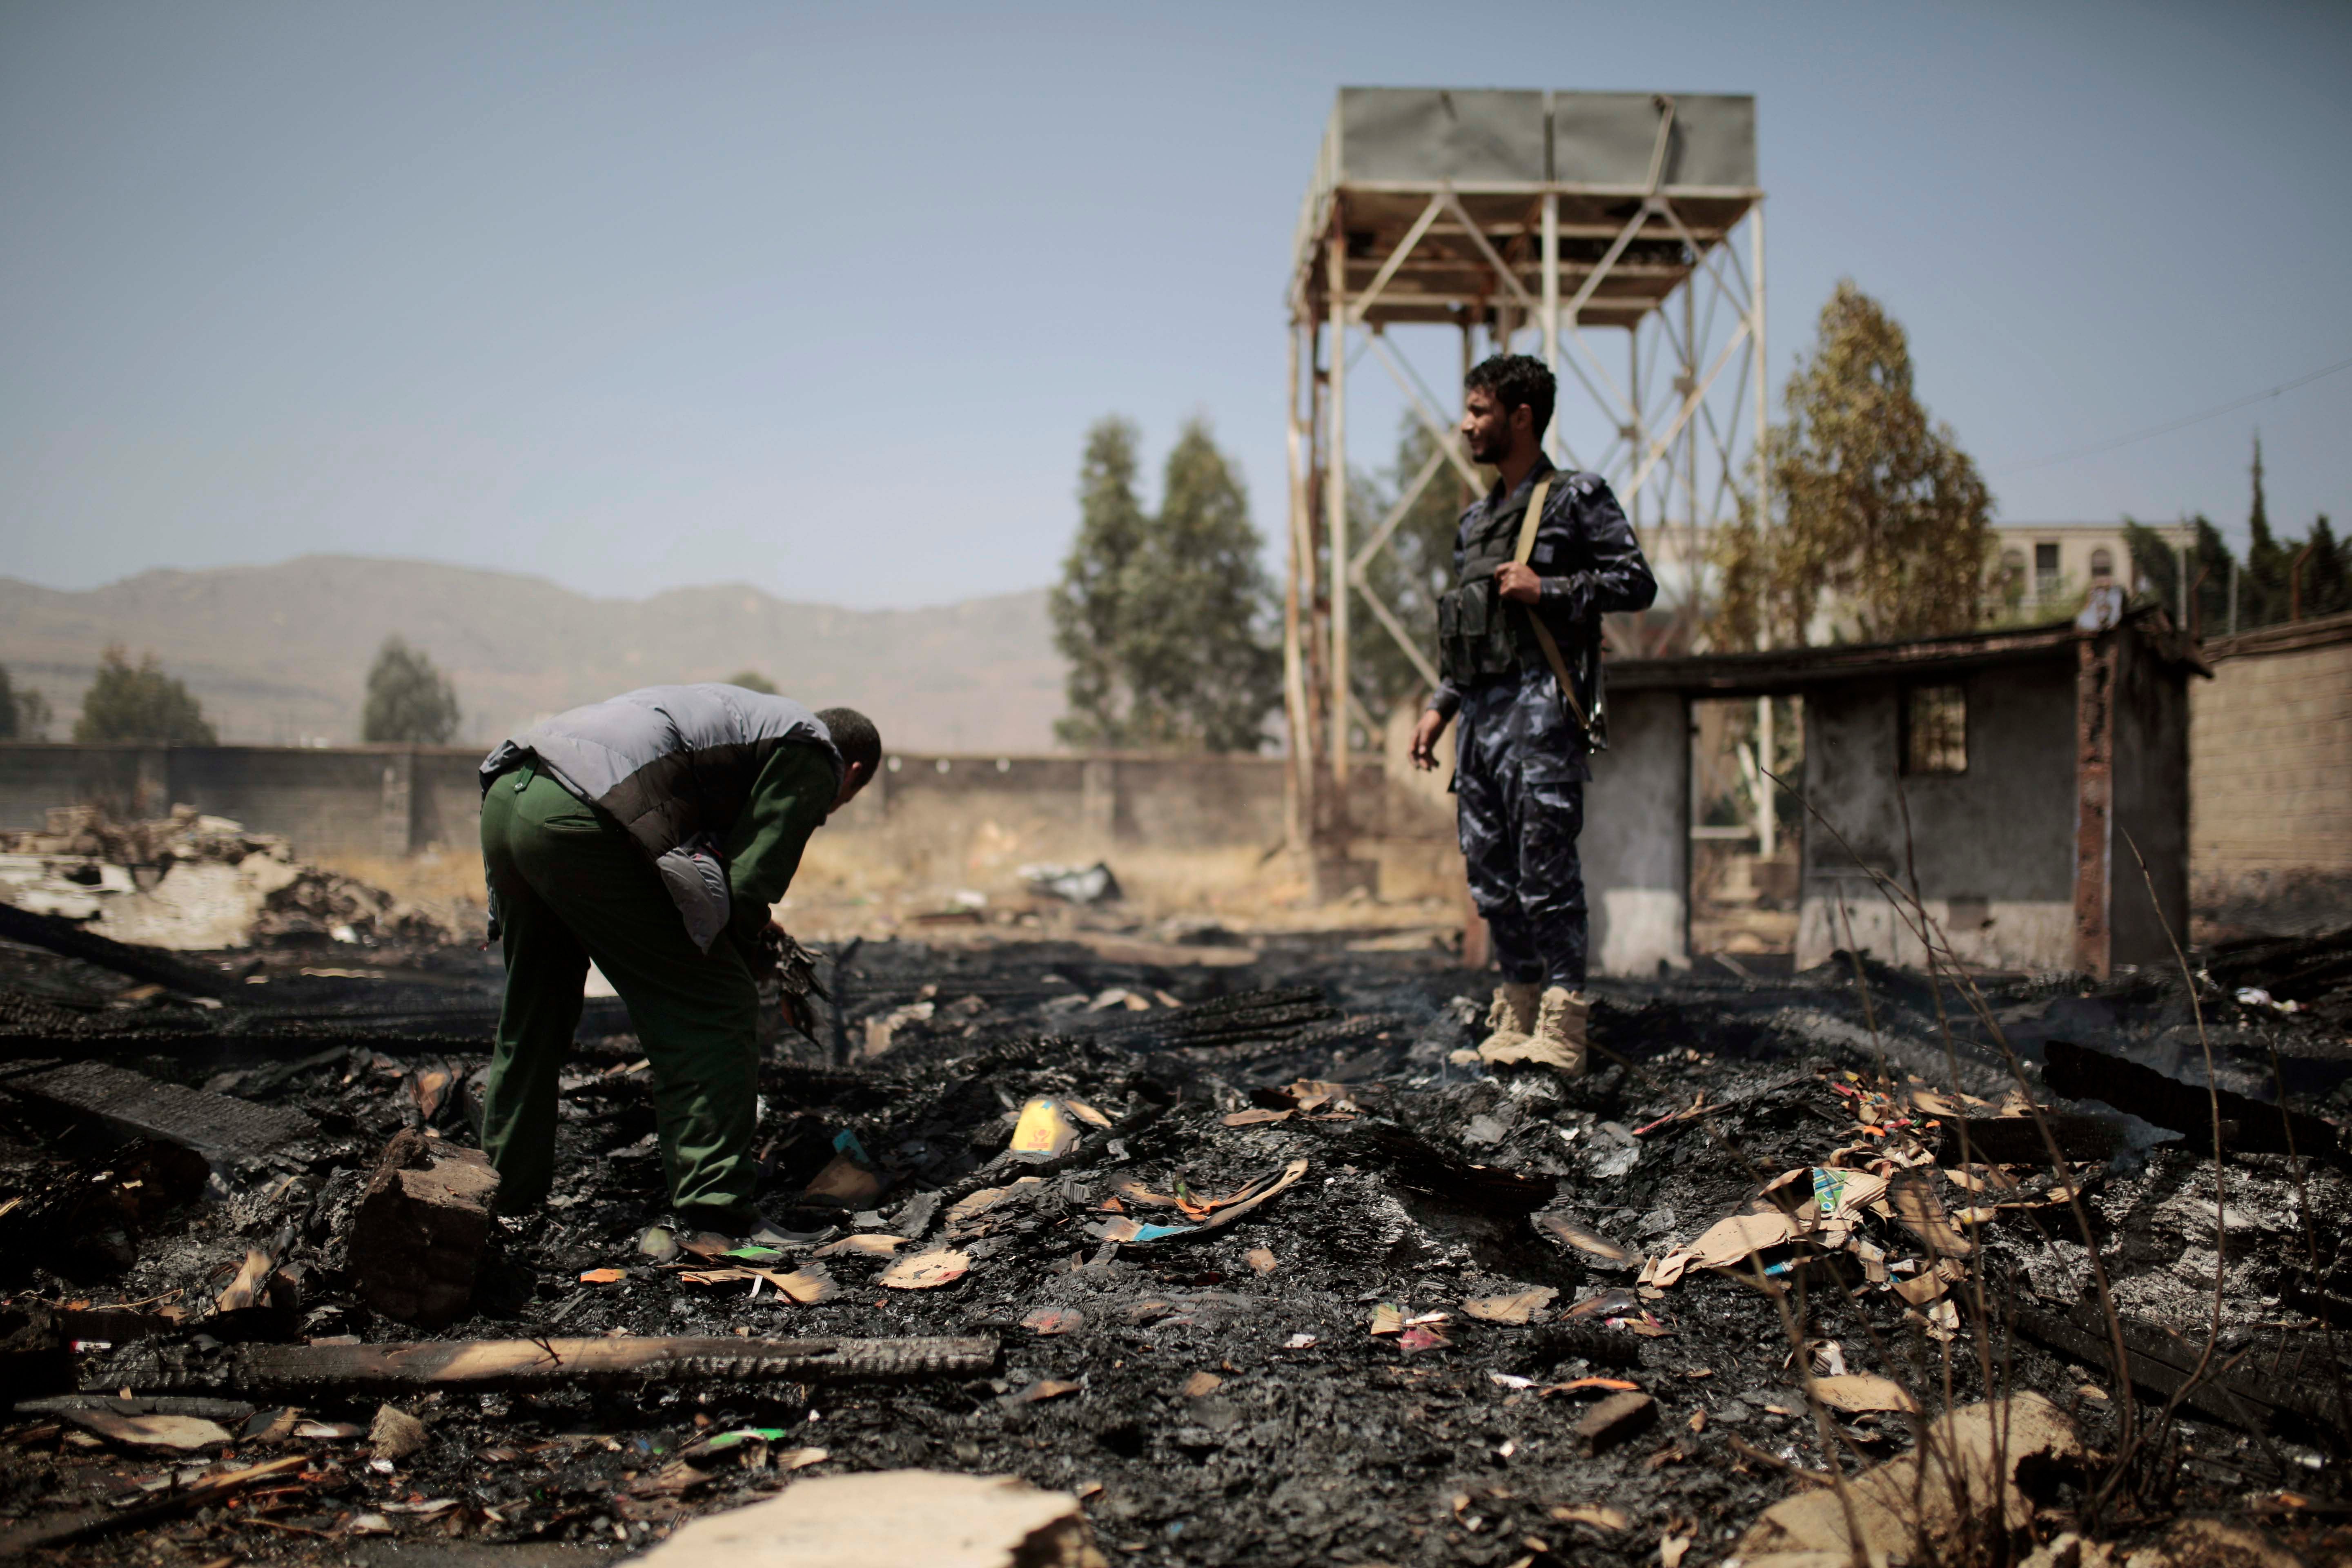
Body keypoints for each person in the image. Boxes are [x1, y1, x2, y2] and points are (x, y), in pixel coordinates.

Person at [474, 684, 880, 1256]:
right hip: (581, 814)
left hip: (512, 793)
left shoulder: (745, 729)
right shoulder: (816, 754)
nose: (827, 815)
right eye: (840, 804)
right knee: (716, 1004)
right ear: (853, 772)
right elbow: (748, 887)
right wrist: (743, 960)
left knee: (535, 1010)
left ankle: (505, 1199)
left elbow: (693, 858)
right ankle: (717, 1217)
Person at [1410, 354, 1657, 1074]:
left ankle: (1563, 1021)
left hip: (1543, 714)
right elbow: (1471, 634)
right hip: (1482, 725)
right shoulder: (1475, 521)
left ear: (1520, 418)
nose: (1466, 426)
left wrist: (1549, 589)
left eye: (1480, 413)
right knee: (1490, 875)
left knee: (1546, 873)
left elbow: (1635, 582)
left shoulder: (1578, 496)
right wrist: (1439, 709)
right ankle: (1515, 1011)